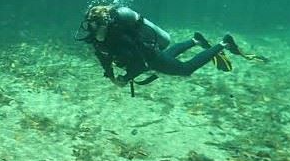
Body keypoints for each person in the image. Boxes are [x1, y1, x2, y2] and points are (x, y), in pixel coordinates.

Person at [76, 5, 266, 96]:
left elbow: (140, 65)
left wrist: (124, 79)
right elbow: (103, 57)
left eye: (95, 26)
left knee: (185, 69)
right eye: (89, 26)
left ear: (104, 24)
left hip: (149, 55)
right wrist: (110, 76)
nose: (92, 31)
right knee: (167, 57)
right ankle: (195, 40)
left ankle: (224, 43)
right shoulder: (97, 37)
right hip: (148, 54)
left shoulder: (119, 38)